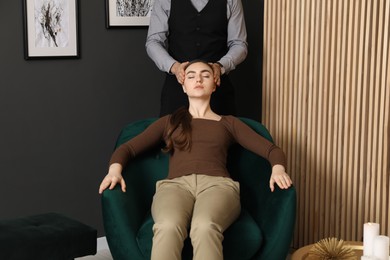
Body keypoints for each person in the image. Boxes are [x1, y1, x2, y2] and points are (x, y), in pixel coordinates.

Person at [99, 60, 292, 260]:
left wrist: (278, 169)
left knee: (205, 226)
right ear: (183, 86)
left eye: (205, 75)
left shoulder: (229, 123)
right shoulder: (169, 122)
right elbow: (128, 148)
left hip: (218, 186)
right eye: (191, 76)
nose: (198, 79)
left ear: (215, 83)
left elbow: (271, 150)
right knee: (167, 226)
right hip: (174, 187)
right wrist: (115, 170)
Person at [145, 0, 248, 116]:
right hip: (176, 93)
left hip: (218, 92)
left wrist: (220, 66)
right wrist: (175, 67)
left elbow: (239, 44)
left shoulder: (232, 1)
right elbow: (153, 42)